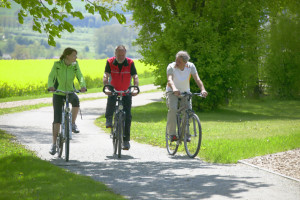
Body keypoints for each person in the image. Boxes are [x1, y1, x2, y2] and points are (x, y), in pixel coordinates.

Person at [48, 47, 87, 155]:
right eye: (74, 55)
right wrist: (50, 86)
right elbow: (51, 76)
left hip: (70, 91)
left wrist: (83, 86)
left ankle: (73, 123)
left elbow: (80, 76)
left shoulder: (75, 65)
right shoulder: (57, 64)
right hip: (58, 93)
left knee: (76, 101)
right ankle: (54, 144)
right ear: (67, 56)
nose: (76, 57)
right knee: (57, 120)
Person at [166, 51, 208, 141]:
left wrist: (203, 89)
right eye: (176, 60)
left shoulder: (191, 66)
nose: (177, 63)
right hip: (172, 91)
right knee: (173, 109)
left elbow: (197, 79)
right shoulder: (171, 66)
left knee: (188, 111)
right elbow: (169, 79)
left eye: (179, 62)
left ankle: (185, 133)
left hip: (185, 92)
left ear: (185, 63)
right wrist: (174, 89)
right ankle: (172, 134)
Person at [103, 45, 139, 150]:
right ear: (115, 54)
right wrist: (106, 87)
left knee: (128, 115)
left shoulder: (130, 62)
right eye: (119, 54)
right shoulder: (110, 62)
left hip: (126, 91)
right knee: (111, 101)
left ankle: (126, 140)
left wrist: (135, 88)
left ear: (125, 54)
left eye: (123, 54)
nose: (121, 56)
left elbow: (135, 76)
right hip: (114, 89)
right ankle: (109, 119)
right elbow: (106, 75)